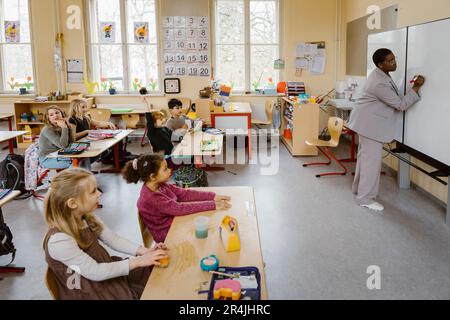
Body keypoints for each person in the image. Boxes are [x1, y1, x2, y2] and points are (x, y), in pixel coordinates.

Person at [43, 168, 168, 300]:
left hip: (104, 274)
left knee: (153, 271)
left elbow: (113, 240)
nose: (99, 194)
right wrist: (138, 261)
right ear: (72, 203)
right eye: (92, 192)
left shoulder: (86, 218)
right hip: (90, 290)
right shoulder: (59, 241)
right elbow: (96, 272)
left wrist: (144, 252)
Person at [347, 48, 425, 212]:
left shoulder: (381, 74)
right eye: (390, 61)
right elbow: (400, 105)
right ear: (380, 64)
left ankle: (358, 190)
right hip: (370, 127)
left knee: (365, 160)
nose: (394, 62)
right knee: (371, 164)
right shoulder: (379, 82)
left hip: (366, 123)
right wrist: (416, 87)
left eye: (394, 58)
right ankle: (365, 198)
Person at [122, 154, 232, 243]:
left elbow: (184, 194)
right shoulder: (152, 198)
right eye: (165, 169)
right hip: (167, 235)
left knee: (209, 223)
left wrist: (212, 196)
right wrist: (212, 204)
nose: (170, 170)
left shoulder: (159, 185)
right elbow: (179, 209)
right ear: (152, 176)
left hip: (174, 222)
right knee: (210, 228)